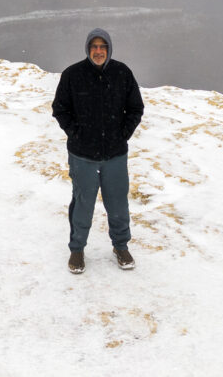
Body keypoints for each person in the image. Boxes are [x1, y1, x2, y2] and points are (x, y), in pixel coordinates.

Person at [52, 28, 144, 274]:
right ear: (88, 49)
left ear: (109, 49)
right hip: (82, 155)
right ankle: (77, 249)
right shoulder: (73, 75)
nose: (99, 51)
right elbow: (60, 109)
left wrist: (122, 134)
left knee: (118, 204)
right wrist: (76, 133)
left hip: (115, 154)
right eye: (94, 46)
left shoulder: (122, 73)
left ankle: (121, 246)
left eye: (103, 47)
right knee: (83, 203)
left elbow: (136, 108)